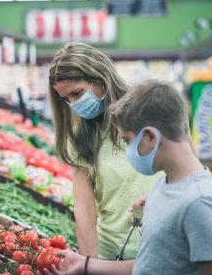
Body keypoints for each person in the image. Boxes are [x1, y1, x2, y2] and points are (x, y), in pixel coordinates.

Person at [46, 80, 212, 275]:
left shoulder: (199, 203)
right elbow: (152, 265)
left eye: (127, 141)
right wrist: (84, 264)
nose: (127, 151)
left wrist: (85, 265)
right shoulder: (165, 186)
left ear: (151, 137)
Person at [48, 42, 163, 260]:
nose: (73, 104)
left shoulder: (154, 111)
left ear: (100, 78)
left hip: (165, 252)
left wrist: (161, 197)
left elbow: (189, 175)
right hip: (113, 256)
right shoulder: (80, 138)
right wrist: (89, 264)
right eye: (66, 99)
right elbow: (85, 209)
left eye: (77, 93)